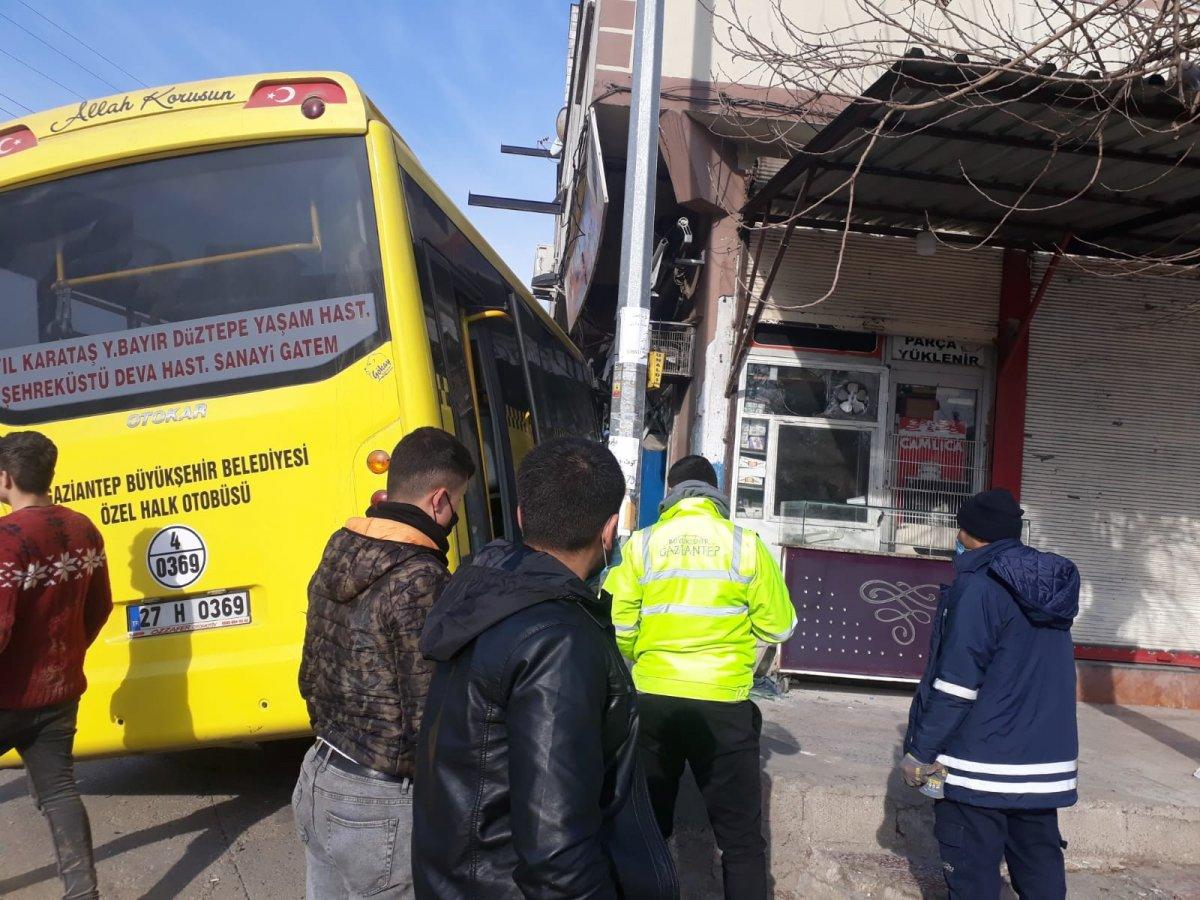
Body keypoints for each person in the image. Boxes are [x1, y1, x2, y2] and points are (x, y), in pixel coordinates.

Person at [413, 437, 678, 900]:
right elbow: (557, 855)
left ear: (520, 515)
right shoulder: (557, 639)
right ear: (609, 529)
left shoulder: (482, 597)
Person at [603, 454, 796, 900]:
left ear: (670, 493)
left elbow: (620, 626)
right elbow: (778, 626)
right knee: (742, 843)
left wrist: (644, 657)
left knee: (647, 830)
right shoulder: (745, 545)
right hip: (724, 704)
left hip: (653, 701)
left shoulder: (642, 545)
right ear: (716, 492)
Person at [294, 426, 475, 899]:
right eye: (458, 500)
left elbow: (310, 675)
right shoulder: (420, 576)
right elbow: (429, 717)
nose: (455, 513)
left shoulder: (341, 547)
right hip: (377, 804)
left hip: (320, 775)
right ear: (439, 500)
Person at [902, 488, 1080, 900]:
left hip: (980, 765)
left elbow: (957, 684)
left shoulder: (979, 587)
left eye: (960, 530)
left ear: (972, 534)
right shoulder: (1049, 589)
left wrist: (921, 751)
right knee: (1041, 874)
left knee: (972, 877)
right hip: (1042, 767)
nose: (957, 539)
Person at [0, 431, 112, 900]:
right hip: (60, 691)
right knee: (59, 792)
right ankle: (82, 893)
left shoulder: (6, 540)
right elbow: (100, 606)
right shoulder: (84, 527)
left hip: (7, 696)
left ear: (5, 478)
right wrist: (66, 655)